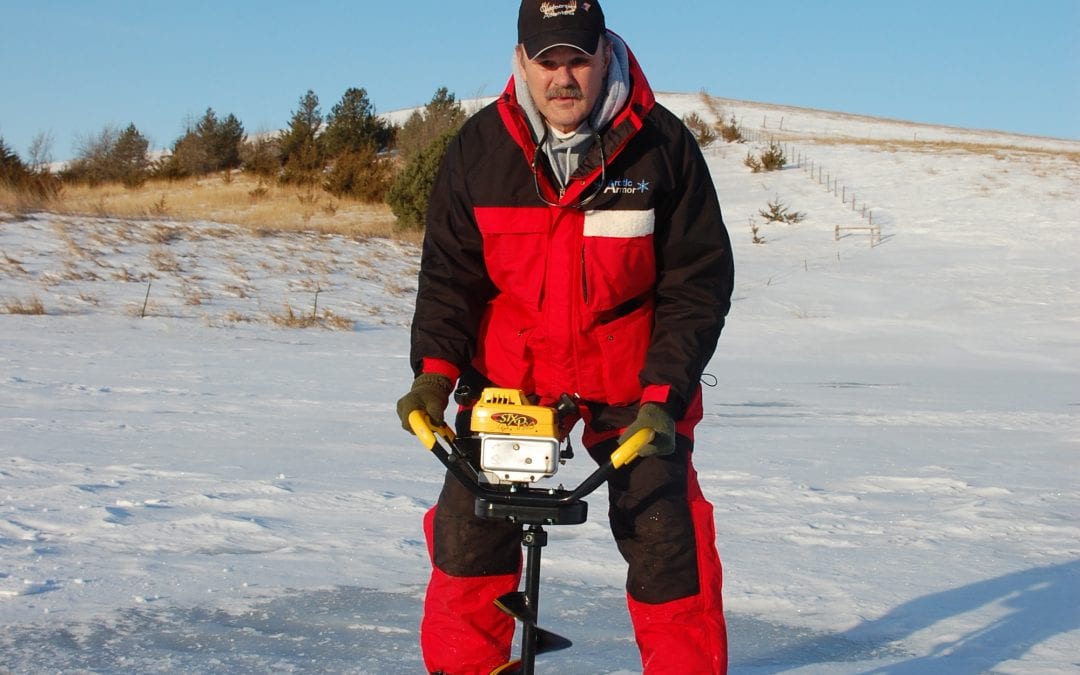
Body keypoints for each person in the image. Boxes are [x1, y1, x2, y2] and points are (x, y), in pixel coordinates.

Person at [396, 1, 734, 672]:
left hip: (632, 379)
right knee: (469, 533)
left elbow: (696, 282)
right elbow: (450, 279)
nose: (562, 77)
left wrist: (664, 394)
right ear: (521, 60)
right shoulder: (480, 150)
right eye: (546, 60)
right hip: (514, 376)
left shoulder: (661, 147)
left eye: (577, 57)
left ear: (605, 51)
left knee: (665, 530)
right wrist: (434, 374)